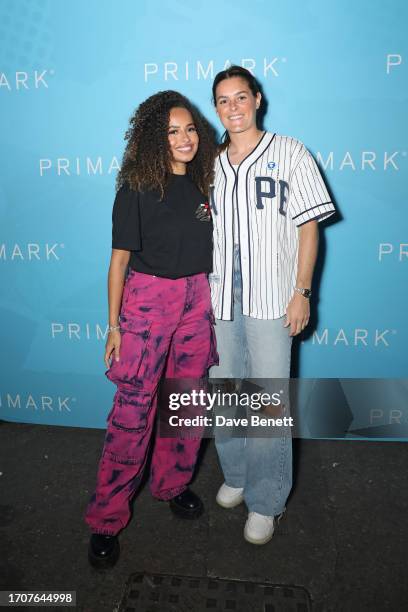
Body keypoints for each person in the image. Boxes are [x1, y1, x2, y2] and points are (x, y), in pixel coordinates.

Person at [85, 90, 218, 568]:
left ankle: (172, 484)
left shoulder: (206, 181)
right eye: (171, 131)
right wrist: (113, 326)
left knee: (187, 400)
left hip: (197, 299)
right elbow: (118, 262)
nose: (184, 139)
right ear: (153, 138)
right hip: (147, 302)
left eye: (189, 129)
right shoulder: (136, 186)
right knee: (133, 410)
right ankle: (105, 519)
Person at [209, 66, 336, 545]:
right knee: (224, 394)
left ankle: (266, 498)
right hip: (219, 297)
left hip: (271, 298)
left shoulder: (290, 151)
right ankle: (237, 474)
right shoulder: (209, 162)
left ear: (257, 99)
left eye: (241, 97)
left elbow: (309, 228)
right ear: (216, 107)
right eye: (223, 100)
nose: (233, 107)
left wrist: (302, 291)